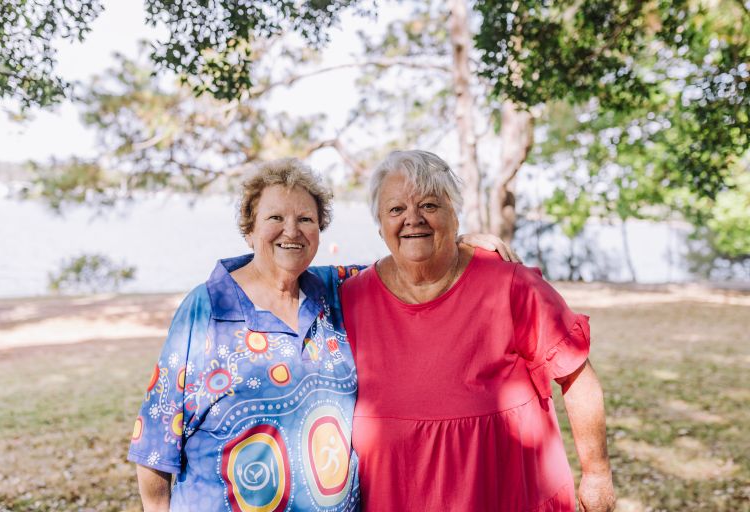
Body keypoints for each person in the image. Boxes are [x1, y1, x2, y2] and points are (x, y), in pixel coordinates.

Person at [127, 157, 514, 511]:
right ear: (249, 230)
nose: (291, 231)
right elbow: (156, 443)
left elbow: (403, 261)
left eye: (306, 219)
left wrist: (459, 243)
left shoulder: (334, 290)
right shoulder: (209, 307)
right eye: (274, 218)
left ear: (318, 229)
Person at [341, 150, 616, 511]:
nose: (413, 219)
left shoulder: (510, 284)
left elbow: (576, 374)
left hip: (503, 493)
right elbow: (276, 272)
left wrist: (596, 473)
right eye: (396, 210)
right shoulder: (349, 296)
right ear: (380, 225)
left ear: (454, 216)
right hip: (392, 497)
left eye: (429, 206)